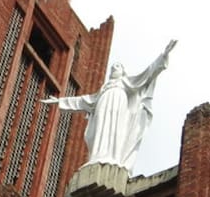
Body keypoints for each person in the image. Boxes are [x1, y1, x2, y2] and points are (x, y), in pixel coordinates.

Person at [42, 40, 177, 172]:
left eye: (118, 66)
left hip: (118, 105)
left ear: (123, 72)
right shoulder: (103, 90)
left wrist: (163, 55)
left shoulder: (126, 83)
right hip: (103, 106)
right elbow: (82, 101)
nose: (114, 67)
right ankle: (97, 156)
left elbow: (148, 73)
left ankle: (112, 157)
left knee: (114, 129)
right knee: (101, 128)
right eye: (113, 66)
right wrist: (59, 102)